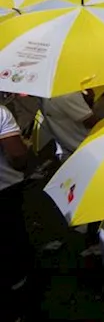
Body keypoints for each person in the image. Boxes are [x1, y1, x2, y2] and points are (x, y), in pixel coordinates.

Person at [0, 101, 31, 292]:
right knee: (11, 235)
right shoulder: (1, 113)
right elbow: (17, 156)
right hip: (5, 189)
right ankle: (19, 281)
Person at [42, 89, 100, 159]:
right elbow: (91, 122)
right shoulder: (66, 94)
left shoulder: (45, 96)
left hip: (69, 151)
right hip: (88, 149)